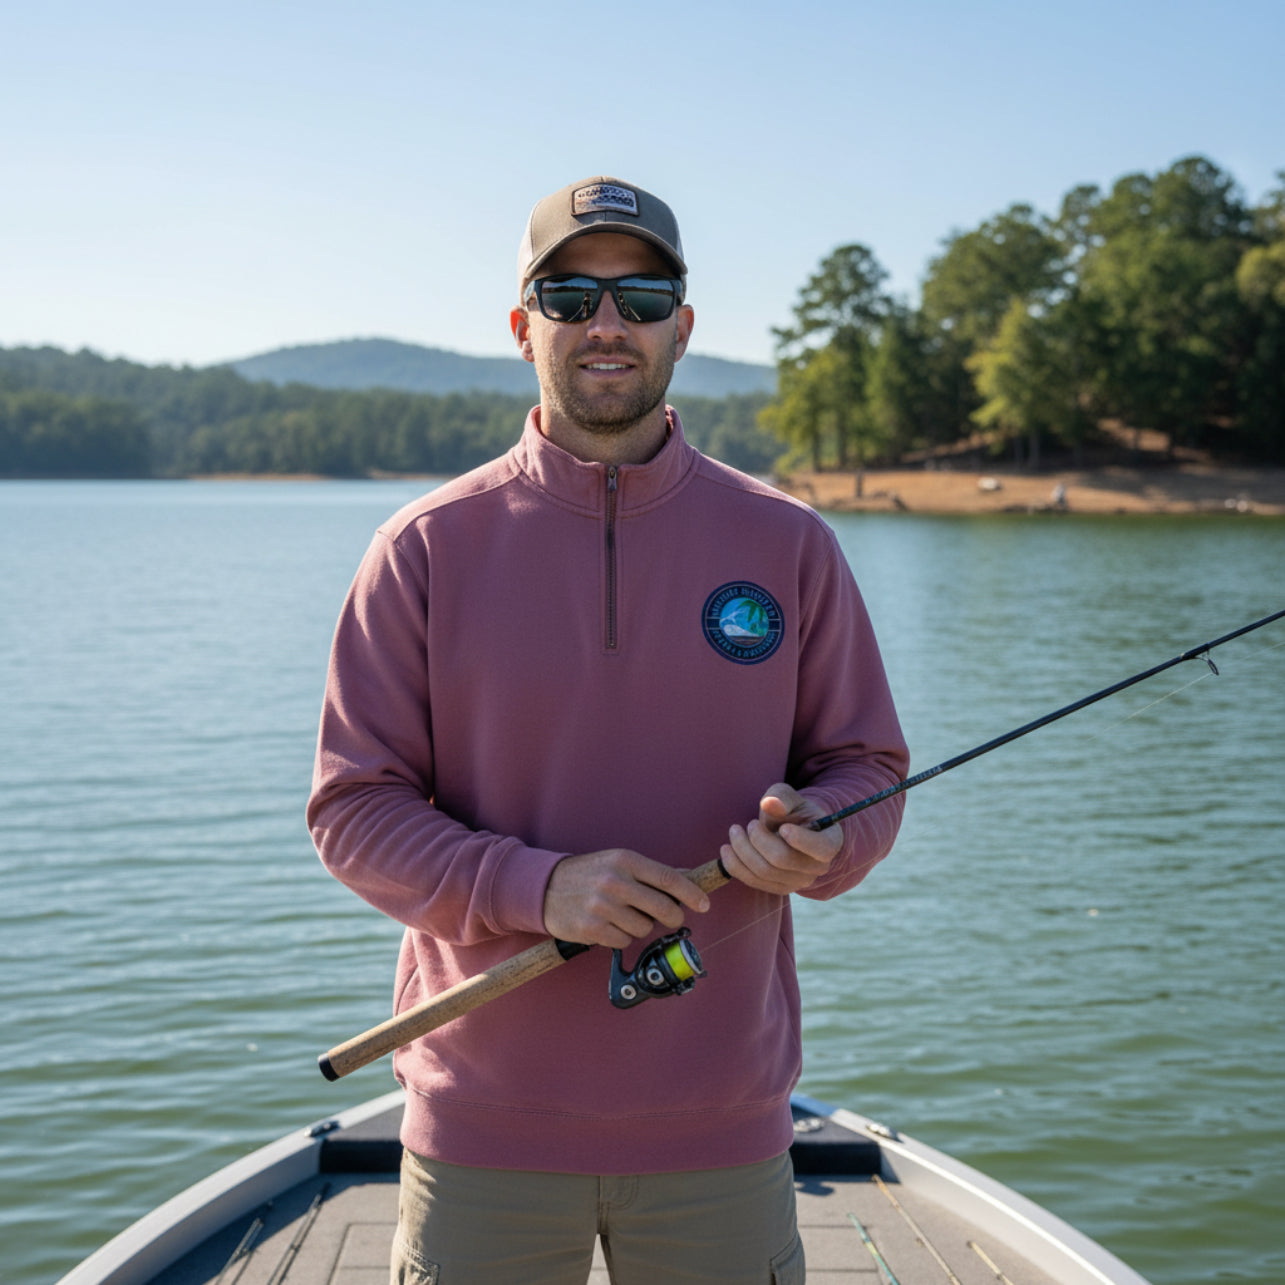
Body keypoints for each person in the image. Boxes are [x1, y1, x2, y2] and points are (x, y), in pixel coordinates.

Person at [308, 175, 909, 1284]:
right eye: (570, 293)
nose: (606, 322)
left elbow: (863, 767)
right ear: (520, 324)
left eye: (641, 296)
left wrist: (821, 833)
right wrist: (538, 888)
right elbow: (354, 812)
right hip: (482, 1129)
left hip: (722, 1128)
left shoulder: (788, 542)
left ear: (682, 326)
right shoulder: (423, 547)